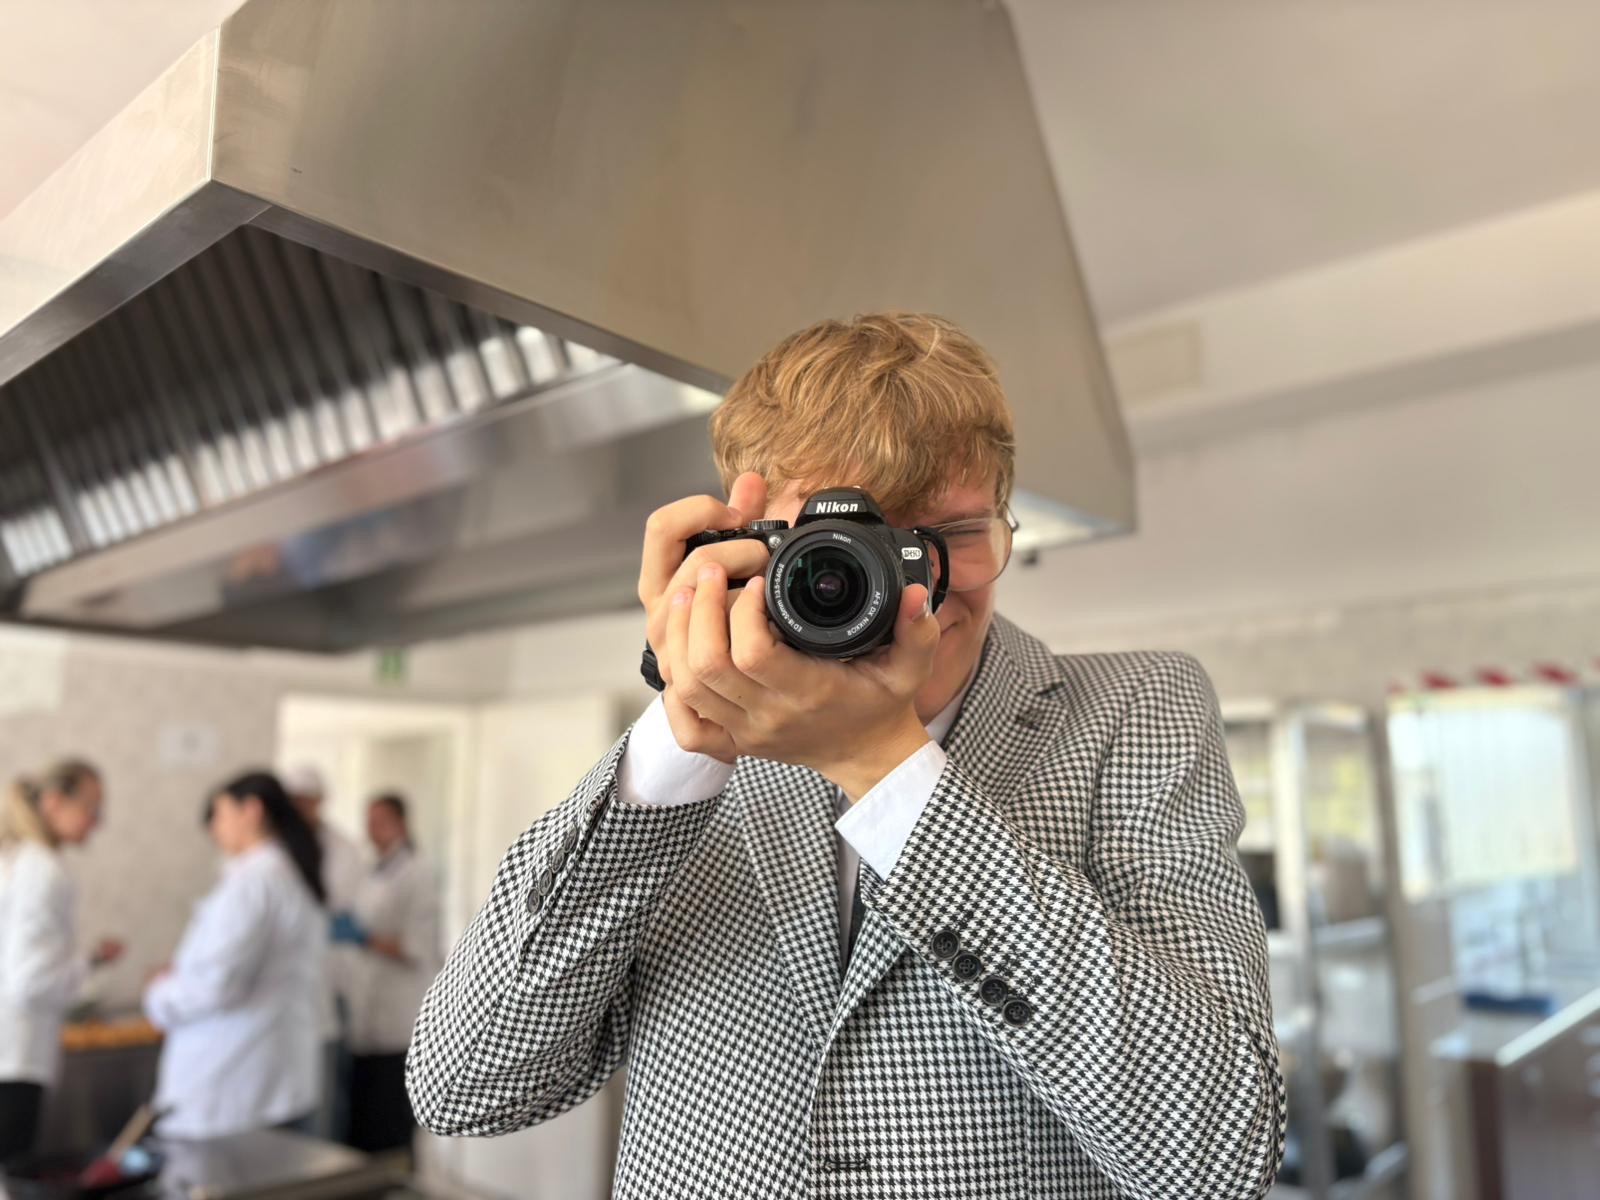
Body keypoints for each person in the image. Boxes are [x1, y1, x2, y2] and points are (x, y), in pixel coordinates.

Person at [408, 314, 1285, 1197]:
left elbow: (1219, 1156)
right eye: (844, 551)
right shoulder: (700, 760)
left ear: (1007, 525)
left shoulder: (1135, 710)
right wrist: (681, 739)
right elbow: (465, 1086)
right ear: (743, 544)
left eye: (951, 535)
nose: (911, 588)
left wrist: (886, 764)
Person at [144, 771, 326, 1138]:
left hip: (230, 1079)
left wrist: (159, 993)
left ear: (251, 810)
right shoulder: (283, 876)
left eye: (221, 814)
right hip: (262, 1072)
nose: (214, 829)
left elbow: (216, 985)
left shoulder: (253, 884)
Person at [0, 759, 122, 1160]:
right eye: (92, 808)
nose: (97, 822)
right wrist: (83, 971)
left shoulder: (15, 860)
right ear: (54, 802)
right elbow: (29, 981)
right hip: (15, 1054)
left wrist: (88, 960)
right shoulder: (43, 870)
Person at [334, 793, 440, 1156]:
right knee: (362, 1129)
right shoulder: (373, 870)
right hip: (366, 1018)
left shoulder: (418, 872)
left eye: (380, 821)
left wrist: (365, 938)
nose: (372, 829)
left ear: (401, 824)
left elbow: (419, 946)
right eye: (369, 821)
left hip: (399, 1022)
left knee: (391, 1129)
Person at [283, 764, 362, 1139]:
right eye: (294, 800)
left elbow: (333, 904)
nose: (301, 807)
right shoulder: (274, 845)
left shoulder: (341, 848)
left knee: (325, 1100)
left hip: (329, 986)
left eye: (307, 800)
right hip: (284, 997)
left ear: (320, 802)